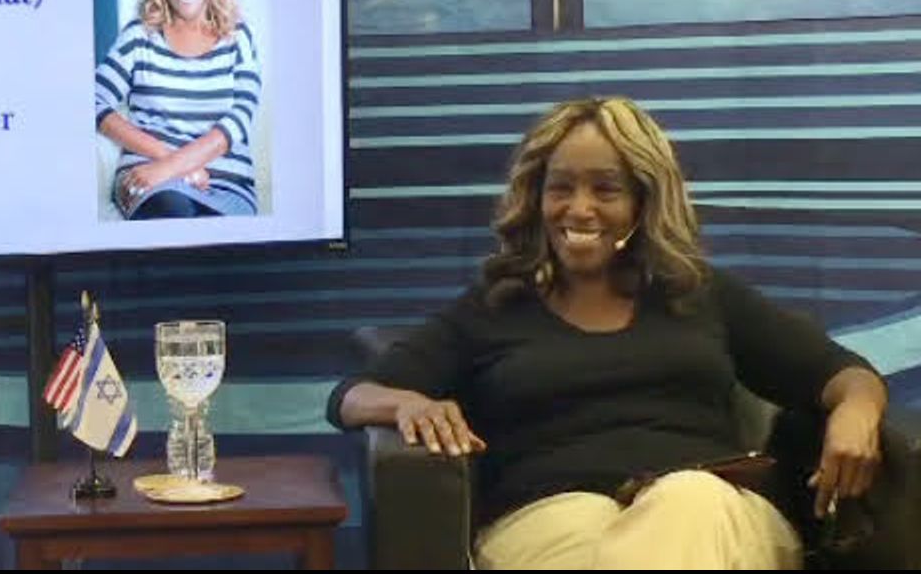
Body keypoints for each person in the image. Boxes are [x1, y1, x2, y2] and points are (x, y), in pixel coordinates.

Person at [327, 97, 887, 569]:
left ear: (643, 202)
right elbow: (351, 396)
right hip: (550, 524)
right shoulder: (493, 309)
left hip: (715, 512)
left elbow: (841, 374)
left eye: (605, 189)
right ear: (536, 198)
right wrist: (405, 404)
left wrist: (858, 411)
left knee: (687, 501)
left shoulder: (698, 294)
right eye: (561, 188)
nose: (579, 208)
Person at [94, 0, 261, 220]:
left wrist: (175, 165)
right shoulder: (139, 36)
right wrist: (168, 162)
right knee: (173, 211)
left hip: (226, 186)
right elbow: (93, 101)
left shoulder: (238, 37)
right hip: (150, 179)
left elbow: (240, 119)